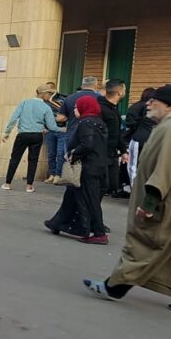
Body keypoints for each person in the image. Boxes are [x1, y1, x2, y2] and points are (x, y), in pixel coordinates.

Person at [83, 84, 171, 317]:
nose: (148, 104)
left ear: (167, 104)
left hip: (167, 206)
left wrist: (149, 204)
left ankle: (114, 287)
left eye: (153, 100)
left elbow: (165, 169)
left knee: (143, 245)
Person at [44, 94, 108, 244]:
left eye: (76, 106)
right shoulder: (99, 122)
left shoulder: (86, 123)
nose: (74, 109)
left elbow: (88, 144)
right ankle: (58, 223)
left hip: (86, 167)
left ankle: (99, 233)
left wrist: (72, 152)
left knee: (89, 199)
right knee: (72, 196)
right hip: (96, 165)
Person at [2, 84, 60, 192]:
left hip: (22, 135)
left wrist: (7, 132)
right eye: (50, 94)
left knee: (15, 159)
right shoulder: (46, 107)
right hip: (37, 136)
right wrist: (63, 129)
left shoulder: (24, 102)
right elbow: (52, 126)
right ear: (44, 94)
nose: (50, 96)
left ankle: (7, 183)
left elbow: (14, 118)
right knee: (33, 160)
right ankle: (29, 186)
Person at [98, 79, 128, 197]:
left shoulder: (113, 109)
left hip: (111, 154)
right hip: (101, 154)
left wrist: (123, 151)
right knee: (100, 188)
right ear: (120, 92)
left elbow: (117, 132)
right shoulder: (101, 108)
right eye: (124, 89)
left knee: (110, 185)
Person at [124, 87, 157, 186]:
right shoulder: (154, 110)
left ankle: (134, 191)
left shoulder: (136, 106)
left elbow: (129, 123)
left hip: (138, 139)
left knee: (134, 166)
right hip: (151, 140)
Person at [43, 82, 68, 184]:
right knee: (51, 154)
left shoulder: (63, 99)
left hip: (62, 130)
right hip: (50, 130)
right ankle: (52, 174)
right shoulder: (43, 101)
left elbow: (67, 115)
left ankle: (59, 175)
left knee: (60, 153)